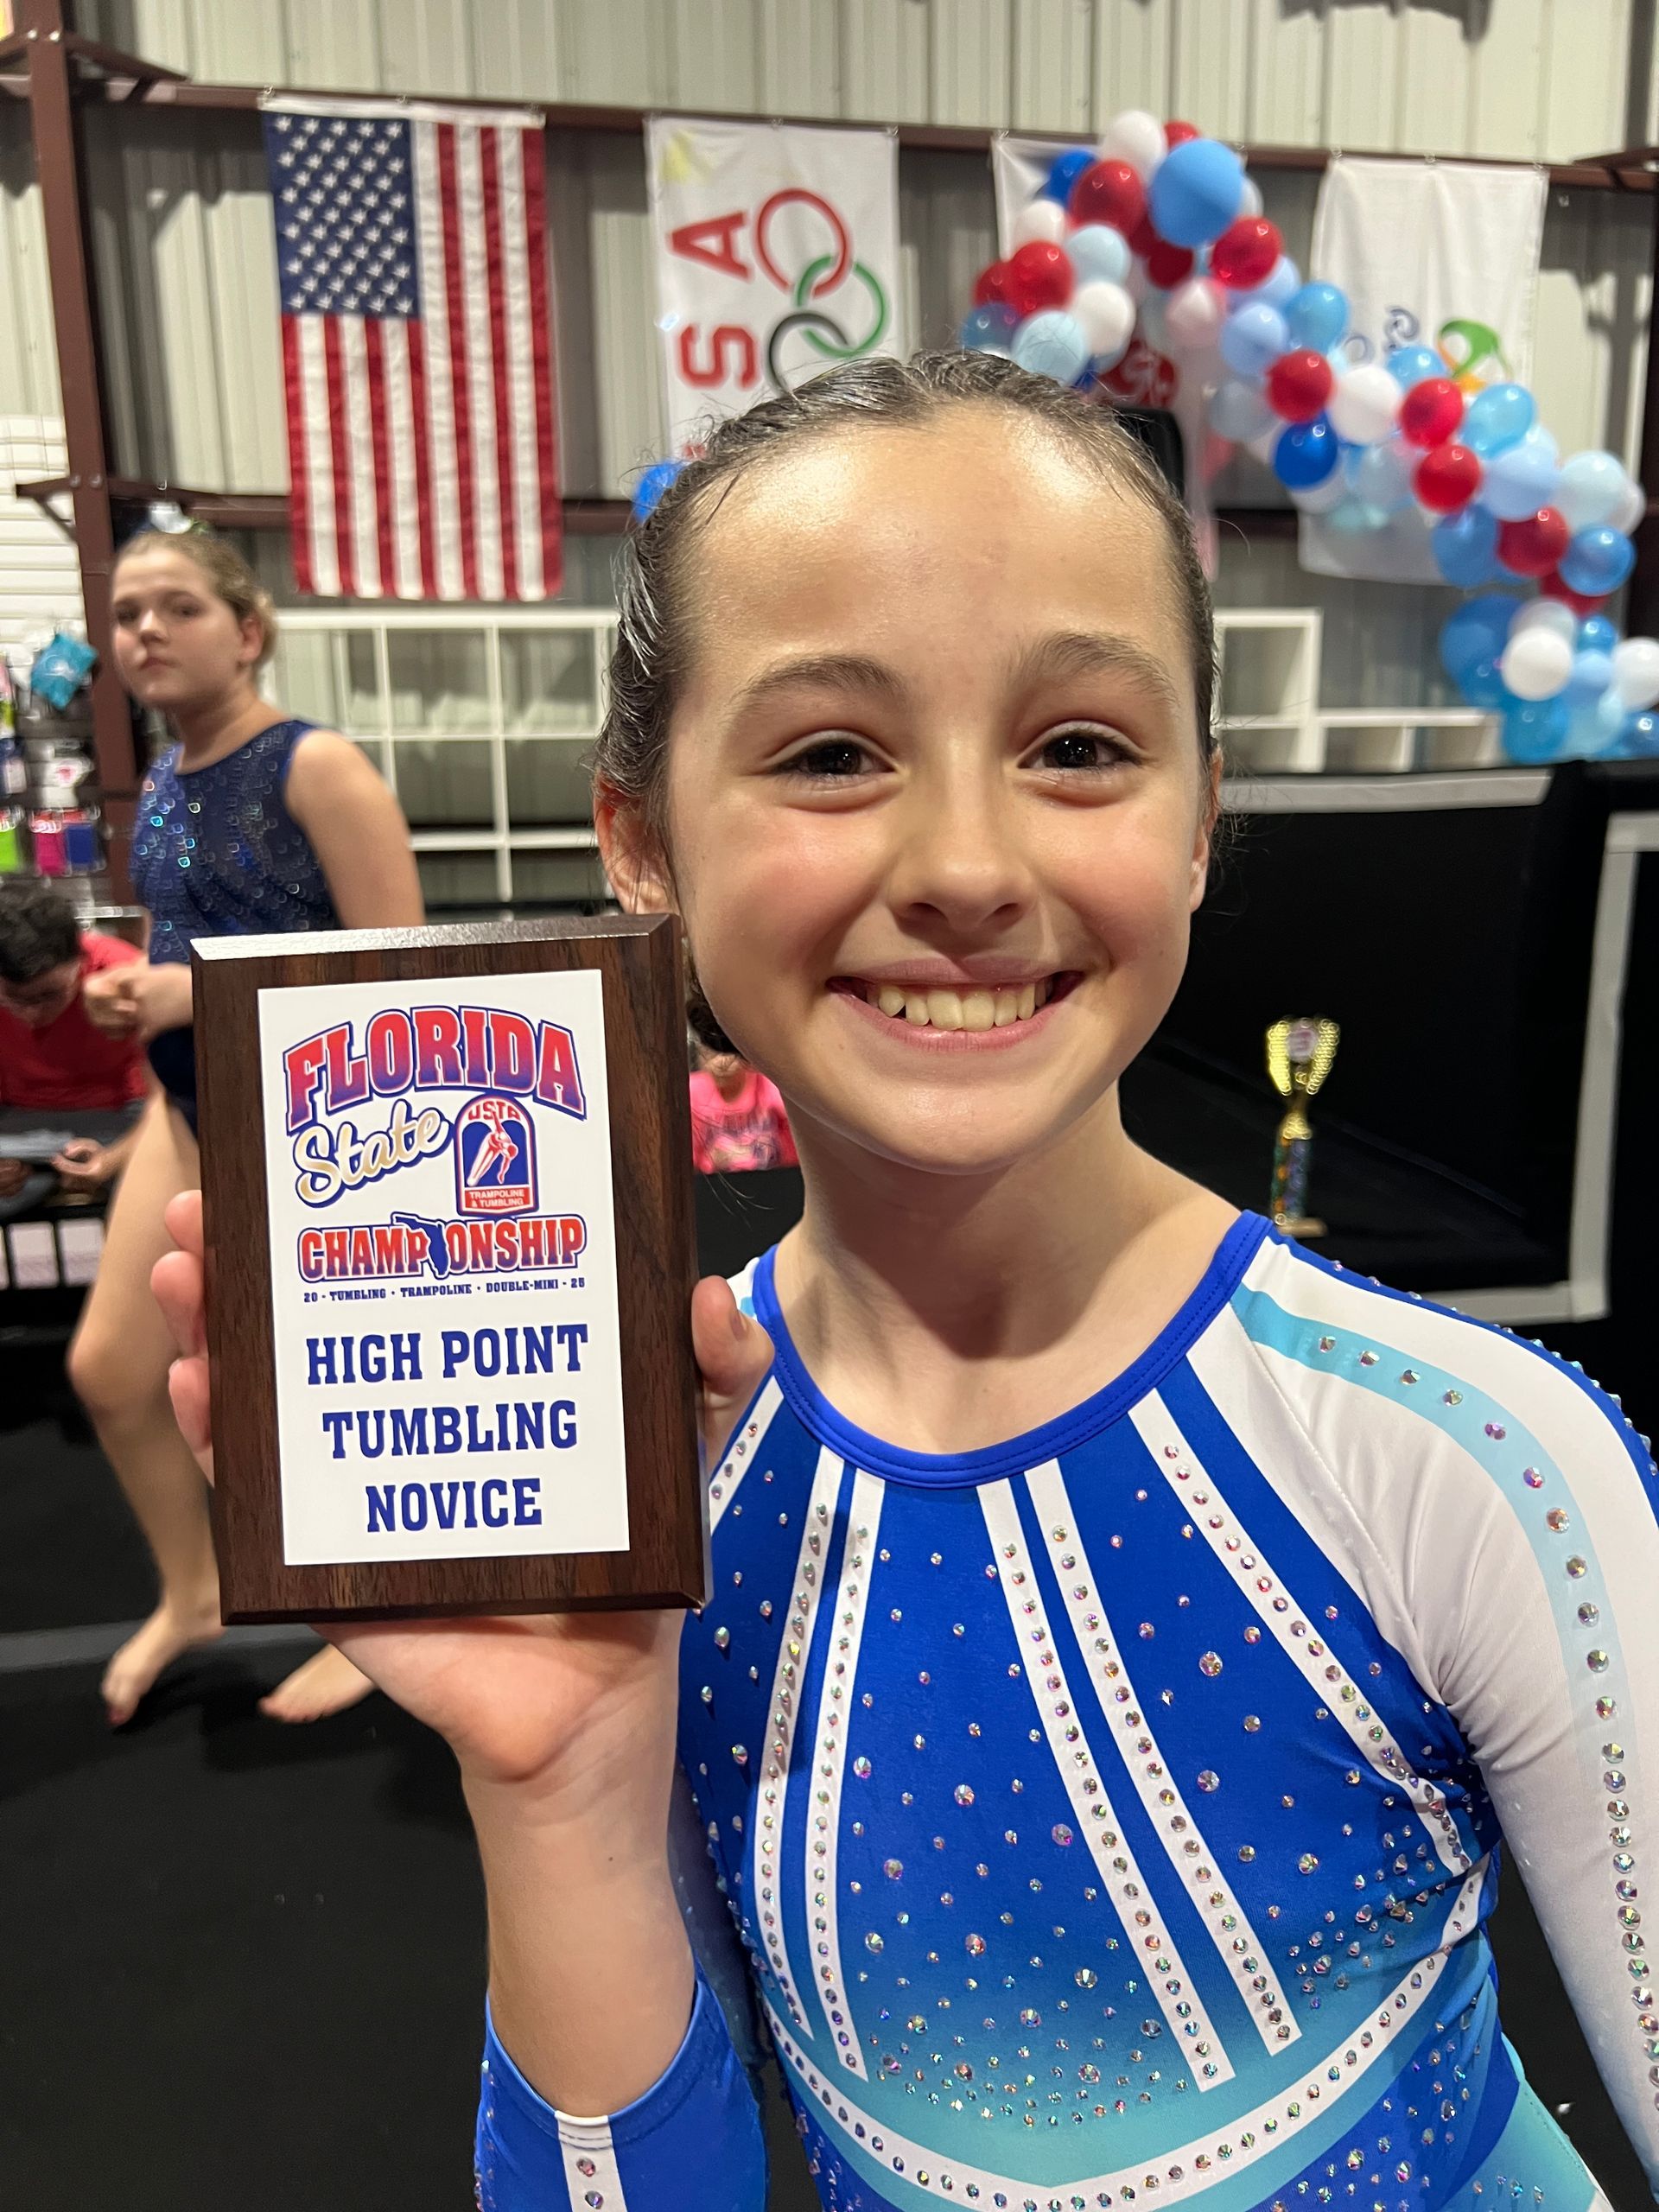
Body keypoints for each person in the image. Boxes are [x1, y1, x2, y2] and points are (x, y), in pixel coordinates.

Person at [154, 355, 1659, 2211]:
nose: (964, 864)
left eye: (1082, 746)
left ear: (1201, 814)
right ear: (642, 841)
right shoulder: (648, 1484)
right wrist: (556, 1788)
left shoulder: (1474, 1462)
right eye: (831, 754)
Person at [77, 528, 423, 1728]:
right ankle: (198, 1590)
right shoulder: (167, 782)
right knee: (112, 1369)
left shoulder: (315, 768)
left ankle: (375, 1628)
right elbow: (182, 957)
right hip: (183, 1108)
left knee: (316, 1405)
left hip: (314, 1132)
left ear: (249, 631)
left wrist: (200, 988)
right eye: (127, 615)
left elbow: (402, 986)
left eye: (177, 607)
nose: (146, 633)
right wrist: (145, 1030)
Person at [0, 878, 149, 1202]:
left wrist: (113, 1160)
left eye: (49, 996)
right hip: (17, 1124)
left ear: (80, 960)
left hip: (120, 1117)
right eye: (14, 999)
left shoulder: (124, 973)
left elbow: (170, 1108)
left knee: (163, 1180)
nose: (32, 1015)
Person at [689, 1039, 798, 1173]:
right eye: (711, 1054)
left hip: (778, 1178)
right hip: (719, 1184)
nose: (722, 1062)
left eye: (729, 1053)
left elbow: (801, 1125)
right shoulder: (693, 1091)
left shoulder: (768, 1084)